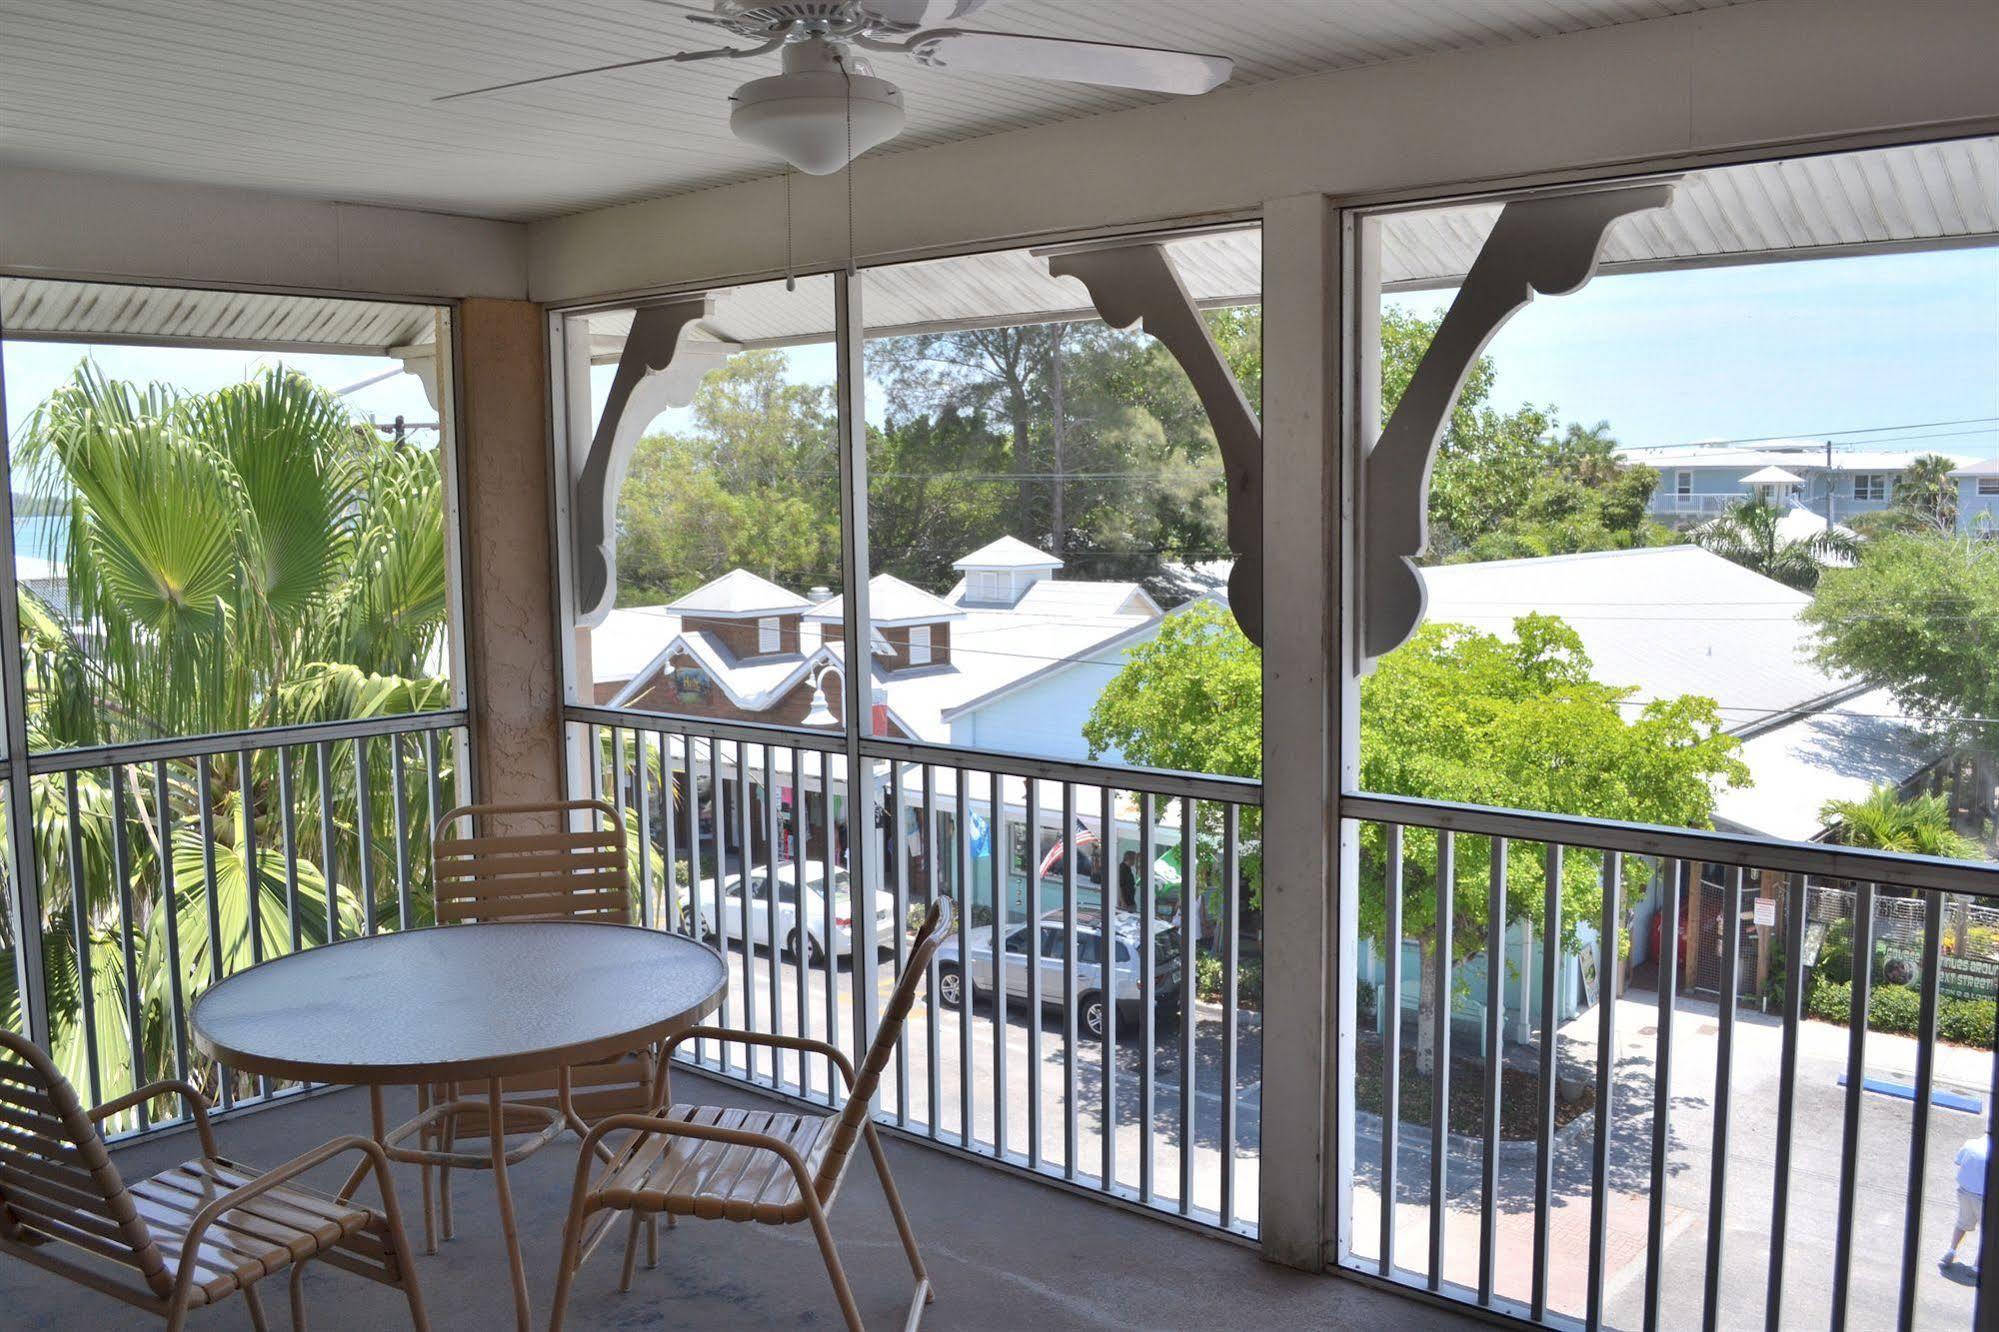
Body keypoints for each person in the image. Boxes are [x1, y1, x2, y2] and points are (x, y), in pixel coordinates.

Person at [1945, 1121, 1990, 1270]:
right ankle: (1977, 1266)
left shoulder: (1971, 1144)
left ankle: (1951, 1251)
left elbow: (1958, 1161)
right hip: (1984, 1198)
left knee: (1961, 1224)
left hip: (1964, 1193)